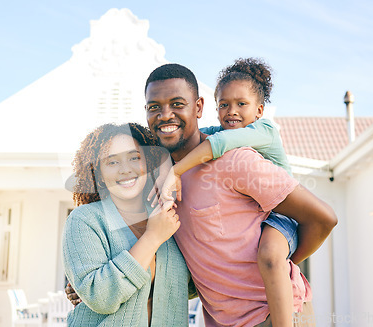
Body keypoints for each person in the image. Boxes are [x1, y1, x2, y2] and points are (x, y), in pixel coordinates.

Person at [144, 63, 337, 326]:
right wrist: (85, 284)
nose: (165, 115)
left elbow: (323, 218)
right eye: (154, 106)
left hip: (273, 317)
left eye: (177, 104)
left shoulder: (236, 159)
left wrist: (280, 260)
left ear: (198, 107)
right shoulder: (159, 179)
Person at [62, 122, 193, 326]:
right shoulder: (84, 220)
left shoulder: (168, 214)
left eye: (134, 158)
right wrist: (152, 238)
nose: (125, 169)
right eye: (112, 162)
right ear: (98, 172)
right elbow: (100, 298)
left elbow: (190, 285)